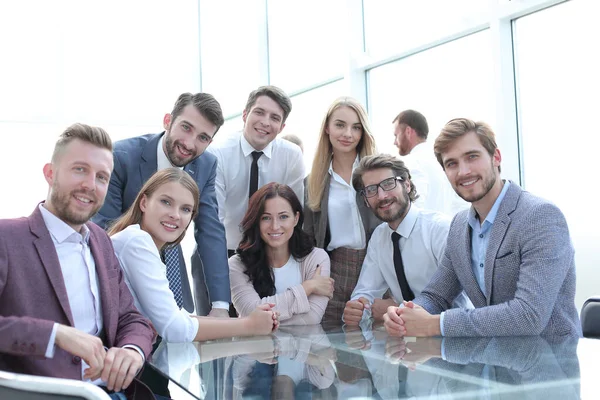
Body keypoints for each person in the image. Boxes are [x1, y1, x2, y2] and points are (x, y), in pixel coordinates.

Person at [383, 118, 582, 338]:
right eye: (452, 164)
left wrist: (436, 324)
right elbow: (436, 295)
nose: (464, 171)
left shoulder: (540, 216)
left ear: (496, 157)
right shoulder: (459, 226)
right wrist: (405, 314)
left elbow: (529, 315)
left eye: (472, 157)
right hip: (493, 364)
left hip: (550, 364)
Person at [0, 123, 155, 399]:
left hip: (112, 392)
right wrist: (55, 335)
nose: (90, 185)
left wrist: (132, 351)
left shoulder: (101, 240)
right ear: (50, 173)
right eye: (80, 169)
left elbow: (132, 318)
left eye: (102, 177)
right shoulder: (6, 238)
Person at [93, 92, 230, 318]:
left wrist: (220, 306)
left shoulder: (206, 164)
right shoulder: (121, 156)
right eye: (186, 127)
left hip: (175, 287)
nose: (189, 143)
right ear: (168, 121)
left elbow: (211, 232)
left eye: (203, 137)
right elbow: (104, 231)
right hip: (123, 281)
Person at [109, 168, 279, 343]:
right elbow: (175, 328)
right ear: (144, 202)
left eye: (185, 209)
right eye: (166, 202)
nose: (175, 215)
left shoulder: (140, 243)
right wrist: (250, 325)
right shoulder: (136, 241)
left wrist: (247, 321)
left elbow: (177, 318)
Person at [342, 154, 466, 325]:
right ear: (365, 199)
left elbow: (454, 301)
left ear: (407, 184)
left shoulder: (441, 230)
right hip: (410, 341)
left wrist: (395, 309)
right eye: (371, 190)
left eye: (388, 184)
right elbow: (366, 291)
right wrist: (358, 308)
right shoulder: (379, 237)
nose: (382, 195)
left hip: (455, 338)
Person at [304, 97, 380, 322]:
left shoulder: (377, 173)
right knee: (333, 345)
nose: (348, 134)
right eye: (340, 125)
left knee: (386, 349)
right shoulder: (313, 182)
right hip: (335, 272)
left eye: (356, 127)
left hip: (378, 268)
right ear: (327, 128)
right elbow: (308, 237)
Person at [208, 86, 305, 256]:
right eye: (259, 112)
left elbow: (295, 214)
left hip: (270, 252)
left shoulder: (292, 155)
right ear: (245, 115)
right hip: (220, 248)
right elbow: (214, 219)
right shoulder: (218, 154)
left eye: (274, 118)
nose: (265, 122)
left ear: (282, 127)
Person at [229, 183, 333, 325]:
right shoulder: (237, 265)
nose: (275, 226)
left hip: (303, 347)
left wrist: (264, 321)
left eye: (283, 217)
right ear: (256, 221)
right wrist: (307, 287)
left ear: (296, 218)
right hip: (256, 347)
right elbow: (251, 313)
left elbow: (312, 318)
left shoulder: (317, 258)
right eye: (266, 218)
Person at [392, 109, 467, 216]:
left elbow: (414, 207)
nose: (394, 142)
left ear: (408, 131)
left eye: (396, 135)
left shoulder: (412, 162)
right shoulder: (446, 161)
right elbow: (461, 204)